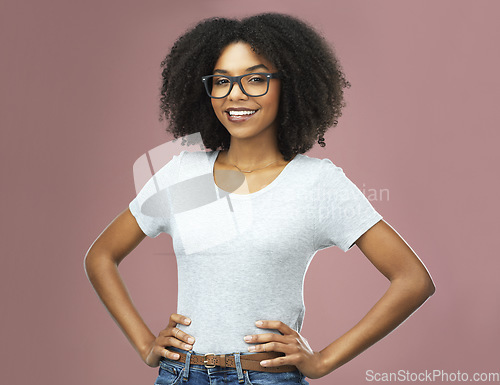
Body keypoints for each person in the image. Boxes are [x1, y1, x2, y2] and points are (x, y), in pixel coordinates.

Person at [84, 12, 435, 385]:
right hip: (180, 375)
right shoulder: (183, 175)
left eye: (255, 79)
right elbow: (101, 256)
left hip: (264, 378)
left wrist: (323, 361)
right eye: (222, 81)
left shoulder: (316, 183)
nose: (236, 94)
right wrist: (144, 345)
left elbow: (412, 280)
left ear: (290, 86)